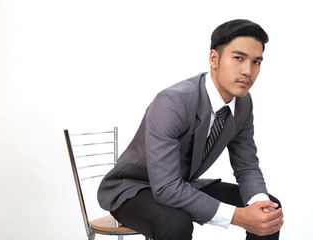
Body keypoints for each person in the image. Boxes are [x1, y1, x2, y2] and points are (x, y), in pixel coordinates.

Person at [98, 19, 284, 240]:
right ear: (214, 59)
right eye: (238, 58)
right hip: (133, 189)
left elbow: (247, 167)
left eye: (256, 62)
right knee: (175, 224)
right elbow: (166, 187)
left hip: (182, 184)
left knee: (269, 211)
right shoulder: (172, 102)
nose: (248, 71)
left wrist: (258, 204)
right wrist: (237, 216)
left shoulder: (243, 103)